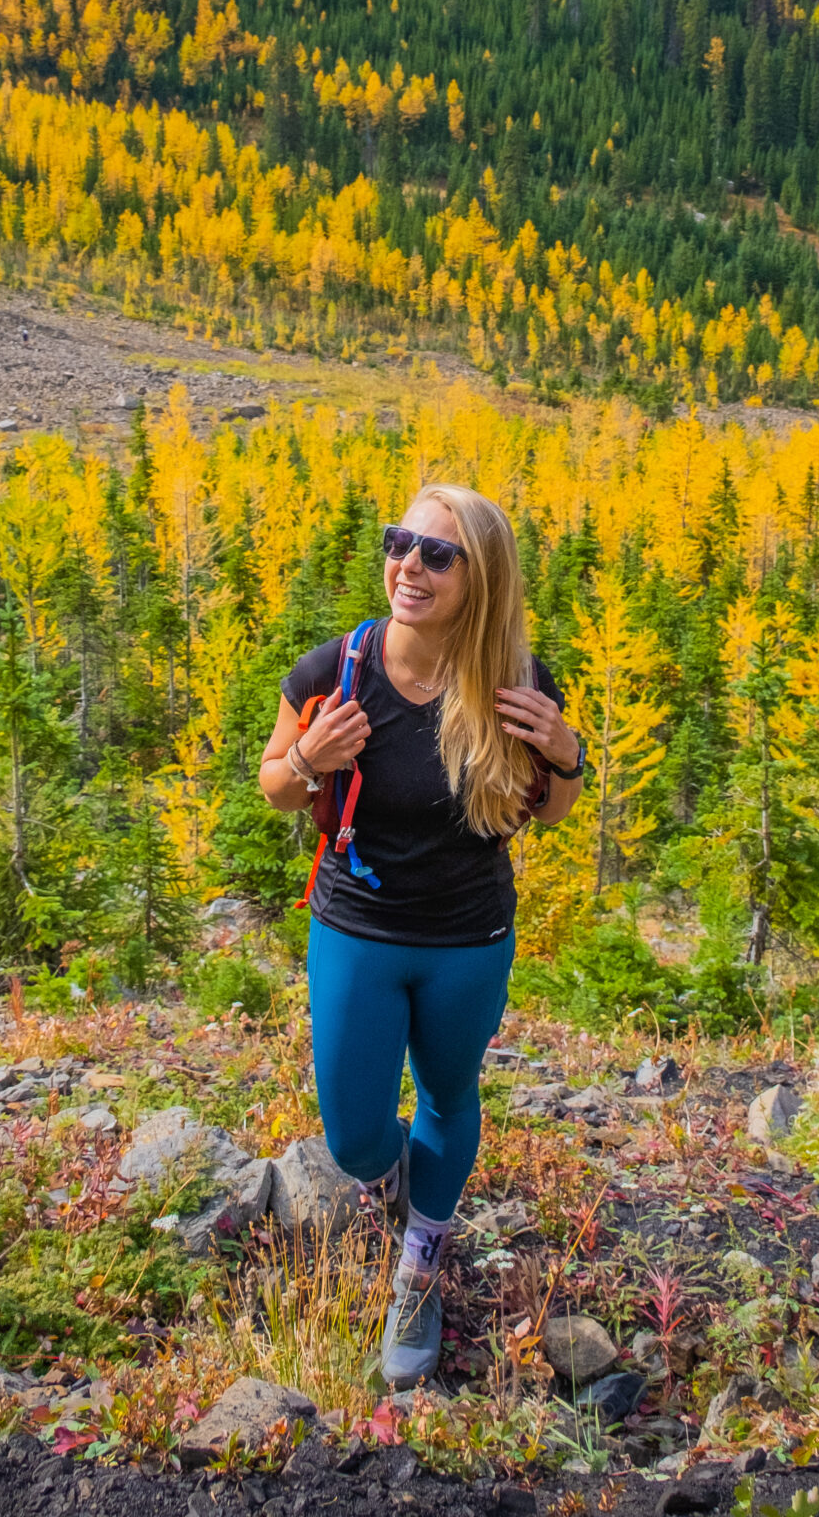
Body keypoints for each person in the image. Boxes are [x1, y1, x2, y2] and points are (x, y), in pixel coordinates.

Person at [259, 483, 587, 1387]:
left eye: (437, 554)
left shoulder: (515, 680)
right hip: (357, 927)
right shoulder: (337, 669)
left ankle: (418, 1271)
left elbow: (552, 812)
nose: (410, 565)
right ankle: (407, 1184)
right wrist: (305, 761)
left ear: (481, 578)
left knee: (450, 1095)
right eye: (402, 543)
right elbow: (275, 786)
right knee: (357, 1138)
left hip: (469, 938)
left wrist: (565, 753)